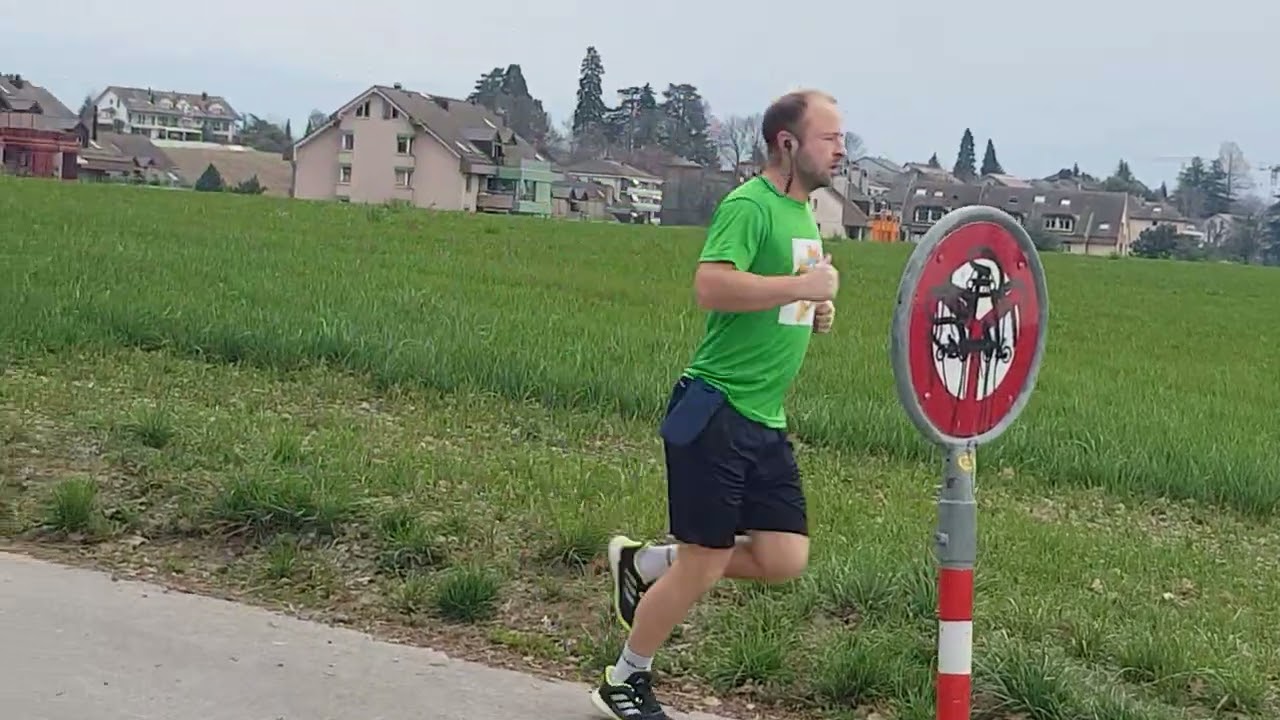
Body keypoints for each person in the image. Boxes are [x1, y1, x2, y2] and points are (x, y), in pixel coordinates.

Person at [589, 89, 846, 720]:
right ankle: (623, 680)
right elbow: (712, 284)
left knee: (784, 557)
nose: (841, 149)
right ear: (787, 143)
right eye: (829, 138)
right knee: (704, 563)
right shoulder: (749, 205)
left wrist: (813, 310)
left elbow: (781, 296)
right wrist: (802, 287)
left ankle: (648, 563)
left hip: (765, 418)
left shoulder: (805, 214)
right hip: (717, 410)